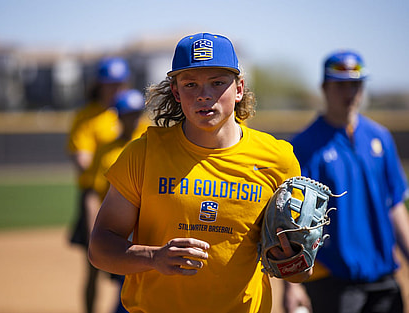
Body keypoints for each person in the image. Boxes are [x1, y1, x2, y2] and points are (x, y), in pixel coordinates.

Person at [88, 32, 312, 313]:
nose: (204, 95)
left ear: (239, 88)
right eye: (190, 84)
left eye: (217, 83)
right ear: (176, 92)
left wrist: (292, 265)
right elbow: (99, 248)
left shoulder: (277, 159)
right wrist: (154, 257)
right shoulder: (143, 154)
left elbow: (298, 270)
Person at [283, 50, 409, 313]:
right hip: (332, 279)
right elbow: (294, 221)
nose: (349, 93)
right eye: (340, 85)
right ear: (324, 88)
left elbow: (395, 205)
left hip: (383, 275)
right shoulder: (304, 146)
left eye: (356, 84)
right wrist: (292, 284)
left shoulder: (380, 138)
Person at [67, 56, 131, 313]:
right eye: (108, 83)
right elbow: (81, 159)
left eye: (118, 83)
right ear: (99, 85)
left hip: (129, 197)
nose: (113, 88)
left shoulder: (131, 112)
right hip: (95, 194)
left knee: (130, 261)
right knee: (93, 264)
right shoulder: (86, 116)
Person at [84, 89, 146, 313]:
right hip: (114, 224)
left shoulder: (149, 145)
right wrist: (93, 228)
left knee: (130, 284)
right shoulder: (106, 151)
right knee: (117, 280)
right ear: (118, 116)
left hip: (142, 226)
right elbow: (92, 192)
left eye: (137, 113)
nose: (134, 118)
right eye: (128, 113)